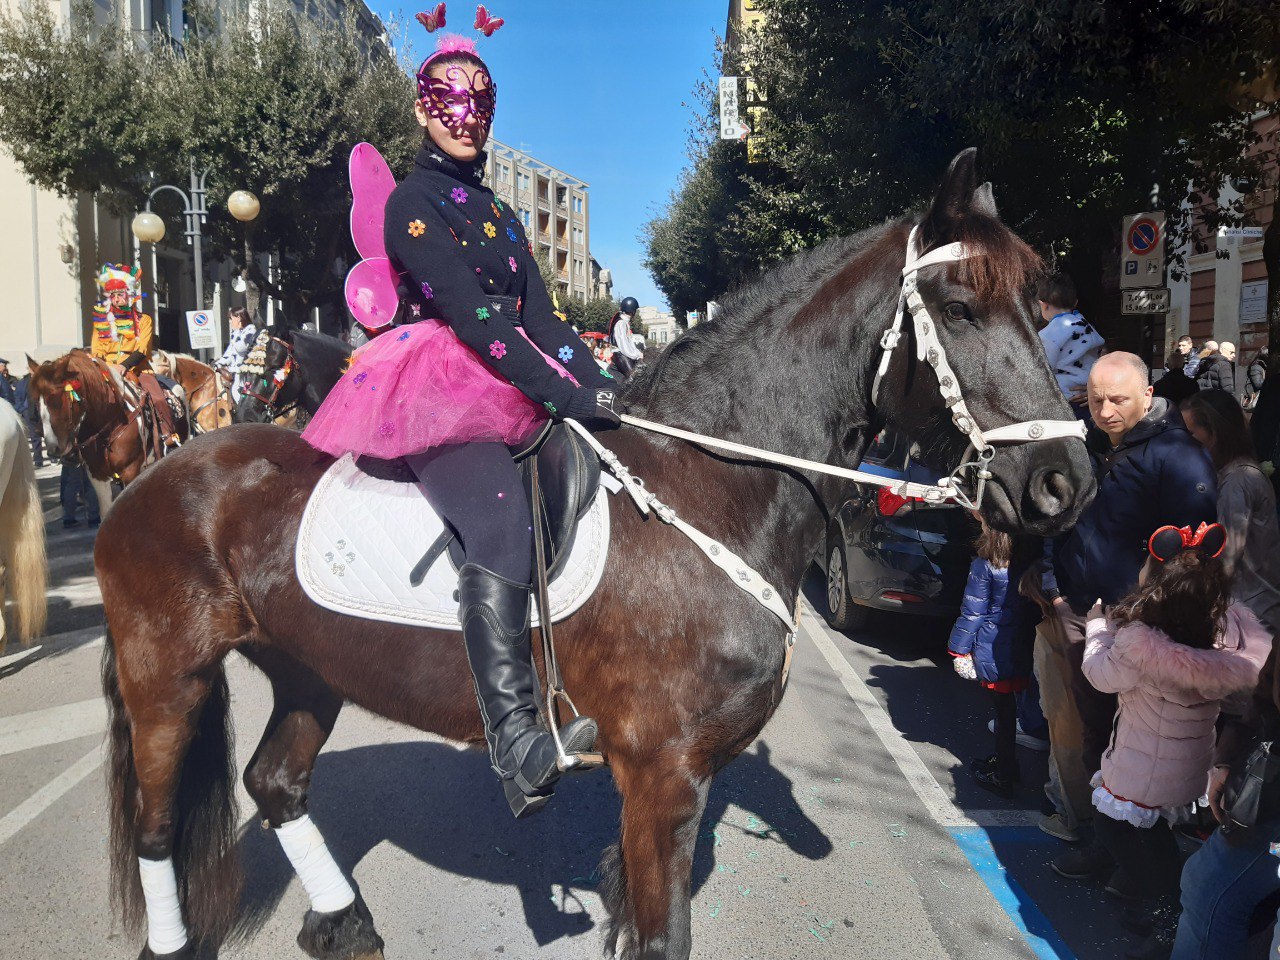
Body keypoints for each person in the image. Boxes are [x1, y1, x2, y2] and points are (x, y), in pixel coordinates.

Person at [300, 28, 621, 818]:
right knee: (502, 523)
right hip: (436, 383)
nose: (466, 115)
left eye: (480, 101)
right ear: (422, 107)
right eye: (449, 98)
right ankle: (513, 740)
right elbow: (476, 318)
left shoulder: (505, 215)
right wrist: (562, 393)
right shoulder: (413, 202)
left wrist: (601, 390)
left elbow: (542, 319)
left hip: (502, 373)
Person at [1040, 352, 1217, 846]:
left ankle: (1128, 856)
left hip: (1138, 625)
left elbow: (1193, 556)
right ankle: (1104, 843)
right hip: (1080, 607)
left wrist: (1151, 617)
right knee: (1094, 728)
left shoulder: (1178, 456)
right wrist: (1055, 588)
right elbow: (1056, 509)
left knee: (1132, 743)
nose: (1104, 409)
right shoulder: (1083, 440)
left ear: (1148, 395)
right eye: (1096, 398)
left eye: (1118, 398)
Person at [1074, 525, 1269, 958]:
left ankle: (1166, 910)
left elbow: (1099, 676)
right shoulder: (1226, 642)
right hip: (1189, 767)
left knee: (1113, 826)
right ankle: (1159, 894)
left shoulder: (1139, 649)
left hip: (1139, 771)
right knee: (1157, 828)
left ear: (1157, 590)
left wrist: (1096, 630)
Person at [948, 523, 1041, 797]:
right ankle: (1006, 763)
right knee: (1010, 708)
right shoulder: (1029, 563)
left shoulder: (984, 565)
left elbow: (973, 612)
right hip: (1021, 643)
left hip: (994, 646)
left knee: (1003, 712)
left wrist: (958, 649)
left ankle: (1003, 773)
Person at [1182, 391, 1280, 636]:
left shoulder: (1237, 480)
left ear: (1215, 431)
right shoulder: (1238, 471)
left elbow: (1226, 558)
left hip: (1250, 610)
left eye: (1191, 433)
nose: (1185, 442)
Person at [89, 263, 180, 448]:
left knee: (159, 398)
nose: (116, 299)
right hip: (106, 370)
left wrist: (123, 366)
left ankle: (166, 433)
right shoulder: (101, 322)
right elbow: (96, 350)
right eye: (112, 295)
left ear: (130, 295)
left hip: (137, 369)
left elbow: (142, 349)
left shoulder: (144, 320)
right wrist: (107, 367)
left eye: (120, 294)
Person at [1036, 274, 1104, 420]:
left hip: (1063, 400)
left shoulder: (1049, 334)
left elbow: (1042, 369)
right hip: (1089, 396)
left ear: (1043, 305)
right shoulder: (1086, 326)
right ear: (1075, 302)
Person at [214, 307, 258, 402]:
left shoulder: (251, 330)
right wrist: (219, 363)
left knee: (239, 393)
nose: (230, 322)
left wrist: (235, 336)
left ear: (238, 318)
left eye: (231, 318)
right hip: (235, 371)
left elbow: (241, 348)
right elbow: (229, 353)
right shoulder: (237, 333)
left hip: (247, 373)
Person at [60, 454, 100, 528]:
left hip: (69, 454)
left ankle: (68, 517)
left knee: (72, 485)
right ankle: (93, 517)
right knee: (88, 485)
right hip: (79, 454)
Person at [609, 296, 643, 379]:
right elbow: (624, 345)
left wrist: (638, 353)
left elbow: (629, 343)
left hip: (623, 354)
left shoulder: (625, 322)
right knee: (634, 379)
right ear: (632, 311)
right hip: (620, 355)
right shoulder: (621, 323)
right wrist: (636, 355)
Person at [14, 374, 43, 467]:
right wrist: (21, 409)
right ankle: (38, 459)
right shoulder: (24, 381)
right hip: (28, 412)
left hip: (41, 411)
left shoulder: (41, 379)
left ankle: (53, 456)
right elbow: (17, 395)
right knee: (34, 436)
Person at [1243, 346, 1267, 411]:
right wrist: (1270, 380)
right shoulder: (1256, 366)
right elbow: (1258, 384)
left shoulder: (1263, 367)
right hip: (1258, 401)